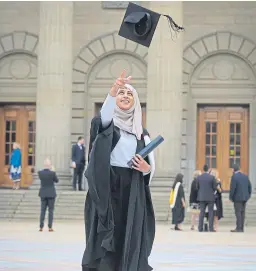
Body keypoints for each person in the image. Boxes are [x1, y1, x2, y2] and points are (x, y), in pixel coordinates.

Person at [82, 70, 156, 271]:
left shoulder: (141, 132)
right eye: (121, 93)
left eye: (129, 94)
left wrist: (145, 168)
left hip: (132, 189)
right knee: (107, 237)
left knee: (130, 234)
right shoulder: (107, 125)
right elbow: (104, 118)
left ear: (135, 101)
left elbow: (150, 167)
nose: (125, 96)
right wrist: (113, 91)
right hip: (109, 187)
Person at [38, 158, 59, 232]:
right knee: (51, 211)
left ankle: (41, 227)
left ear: (44, 165)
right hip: (51, 193)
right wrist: (53, 171)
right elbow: (56, 180)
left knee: (42, 210)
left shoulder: (40, 173)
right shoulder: (52, 173)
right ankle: (50, 227)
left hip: (43, 193)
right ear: (50, 165)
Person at [229, 164, 252, 233]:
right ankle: (241, 228)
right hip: (245, 197)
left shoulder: (234, 177)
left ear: (233, 169)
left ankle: (238, 228)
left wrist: (231, 197)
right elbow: (249, 187)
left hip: (237, 198)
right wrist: (248, 195)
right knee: (242, 213)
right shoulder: (245, 176)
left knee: (238, 213)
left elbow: (233, 188)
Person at [197, 164, 217, 232]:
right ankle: (211, 228)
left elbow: (197, 187)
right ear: (208, 169)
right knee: (211, 212)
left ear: (203, 169)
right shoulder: (212, 177)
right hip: (210, 197)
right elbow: (215, 187)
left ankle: (200, 228)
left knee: (201, 212)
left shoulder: (199, 177)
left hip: (202, 197)